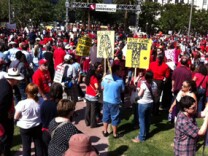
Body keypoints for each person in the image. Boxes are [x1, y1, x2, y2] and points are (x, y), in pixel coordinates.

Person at [14, 83, 43, 156]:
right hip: (37, 125)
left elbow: (16, 116)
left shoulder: (22, 103)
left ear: (26, 92)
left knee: (26, 147)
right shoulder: (41, 101)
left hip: (25, 127)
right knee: (38, 145)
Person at [0, 68, 24, 156]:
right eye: (17, 80)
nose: (18, 82)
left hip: (6, 116)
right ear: (13, 79)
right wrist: (7, 114)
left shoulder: (3, 81)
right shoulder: (6, 91)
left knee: (8, 136)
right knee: (5, 138)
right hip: (3, 119)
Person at [132, 70, 158, 143]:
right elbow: (155, 94)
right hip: (150, 103)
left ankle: (141, 137)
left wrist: (136, 94)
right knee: (148, 119)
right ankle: (146, 133)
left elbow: (140, 95)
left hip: (143, 103)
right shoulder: (155, 84)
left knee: (142, 120)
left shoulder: (144, 84)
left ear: (145, 77)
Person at [101, 64, 125, 138]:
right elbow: (123, 90)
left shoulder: (105, 78)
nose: (121, 72)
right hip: (114, 102)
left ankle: (105, 131)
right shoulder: (120, 81)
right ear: (116, 70)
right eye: (120, 70)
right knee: (114, 117)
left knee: (106, 116)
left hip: (106, 100)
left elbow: (102, 87)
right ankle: (115, 134)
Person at [40, 82, 63, 156]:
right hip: (58, 132)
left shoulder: (44, 104)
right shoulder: (61, 105)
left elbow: (42, 118)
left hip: (46, 132)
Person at [85, 62, 102, 128]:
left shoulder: (89, 77)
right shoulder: (94, 78)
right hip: (93, 95)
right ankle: (93, 124)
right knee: (93, 111)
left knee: (88, 109)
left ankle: (87, 121)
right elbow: (96, 86)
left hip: (88, 94)